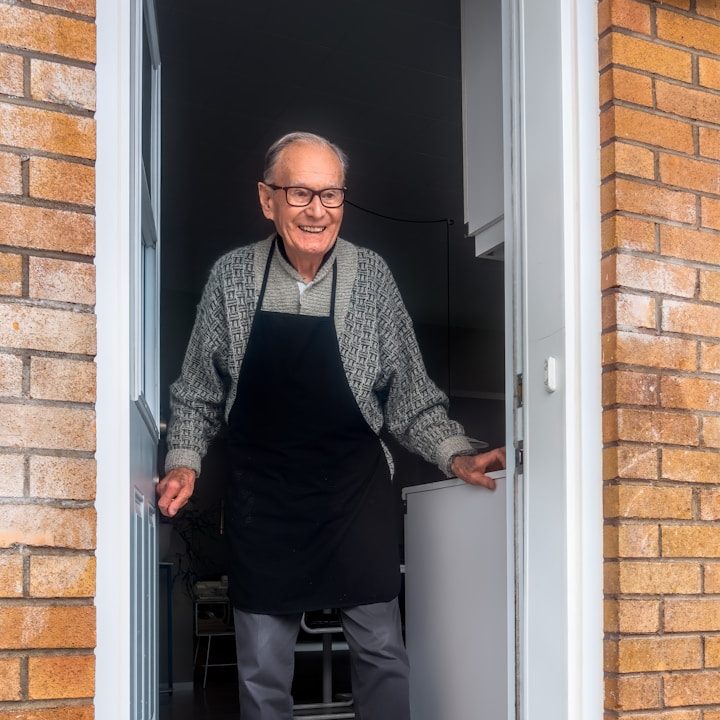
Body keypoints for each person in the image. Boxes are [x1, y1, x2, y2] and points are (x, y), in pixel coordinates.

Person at [157, 131, 506, 719]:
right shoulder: (232, 278)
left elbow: (409, 393)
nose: (316, 210)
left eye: (331, 194)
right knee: (262, 672)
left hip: (352, 495)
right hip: (264, 502)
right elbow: (196, 392)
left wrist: (454, 452)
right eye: (299, 193)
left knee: (383, 655)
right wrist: (184, 462)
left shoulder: (371, 277)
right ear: (267, 199)